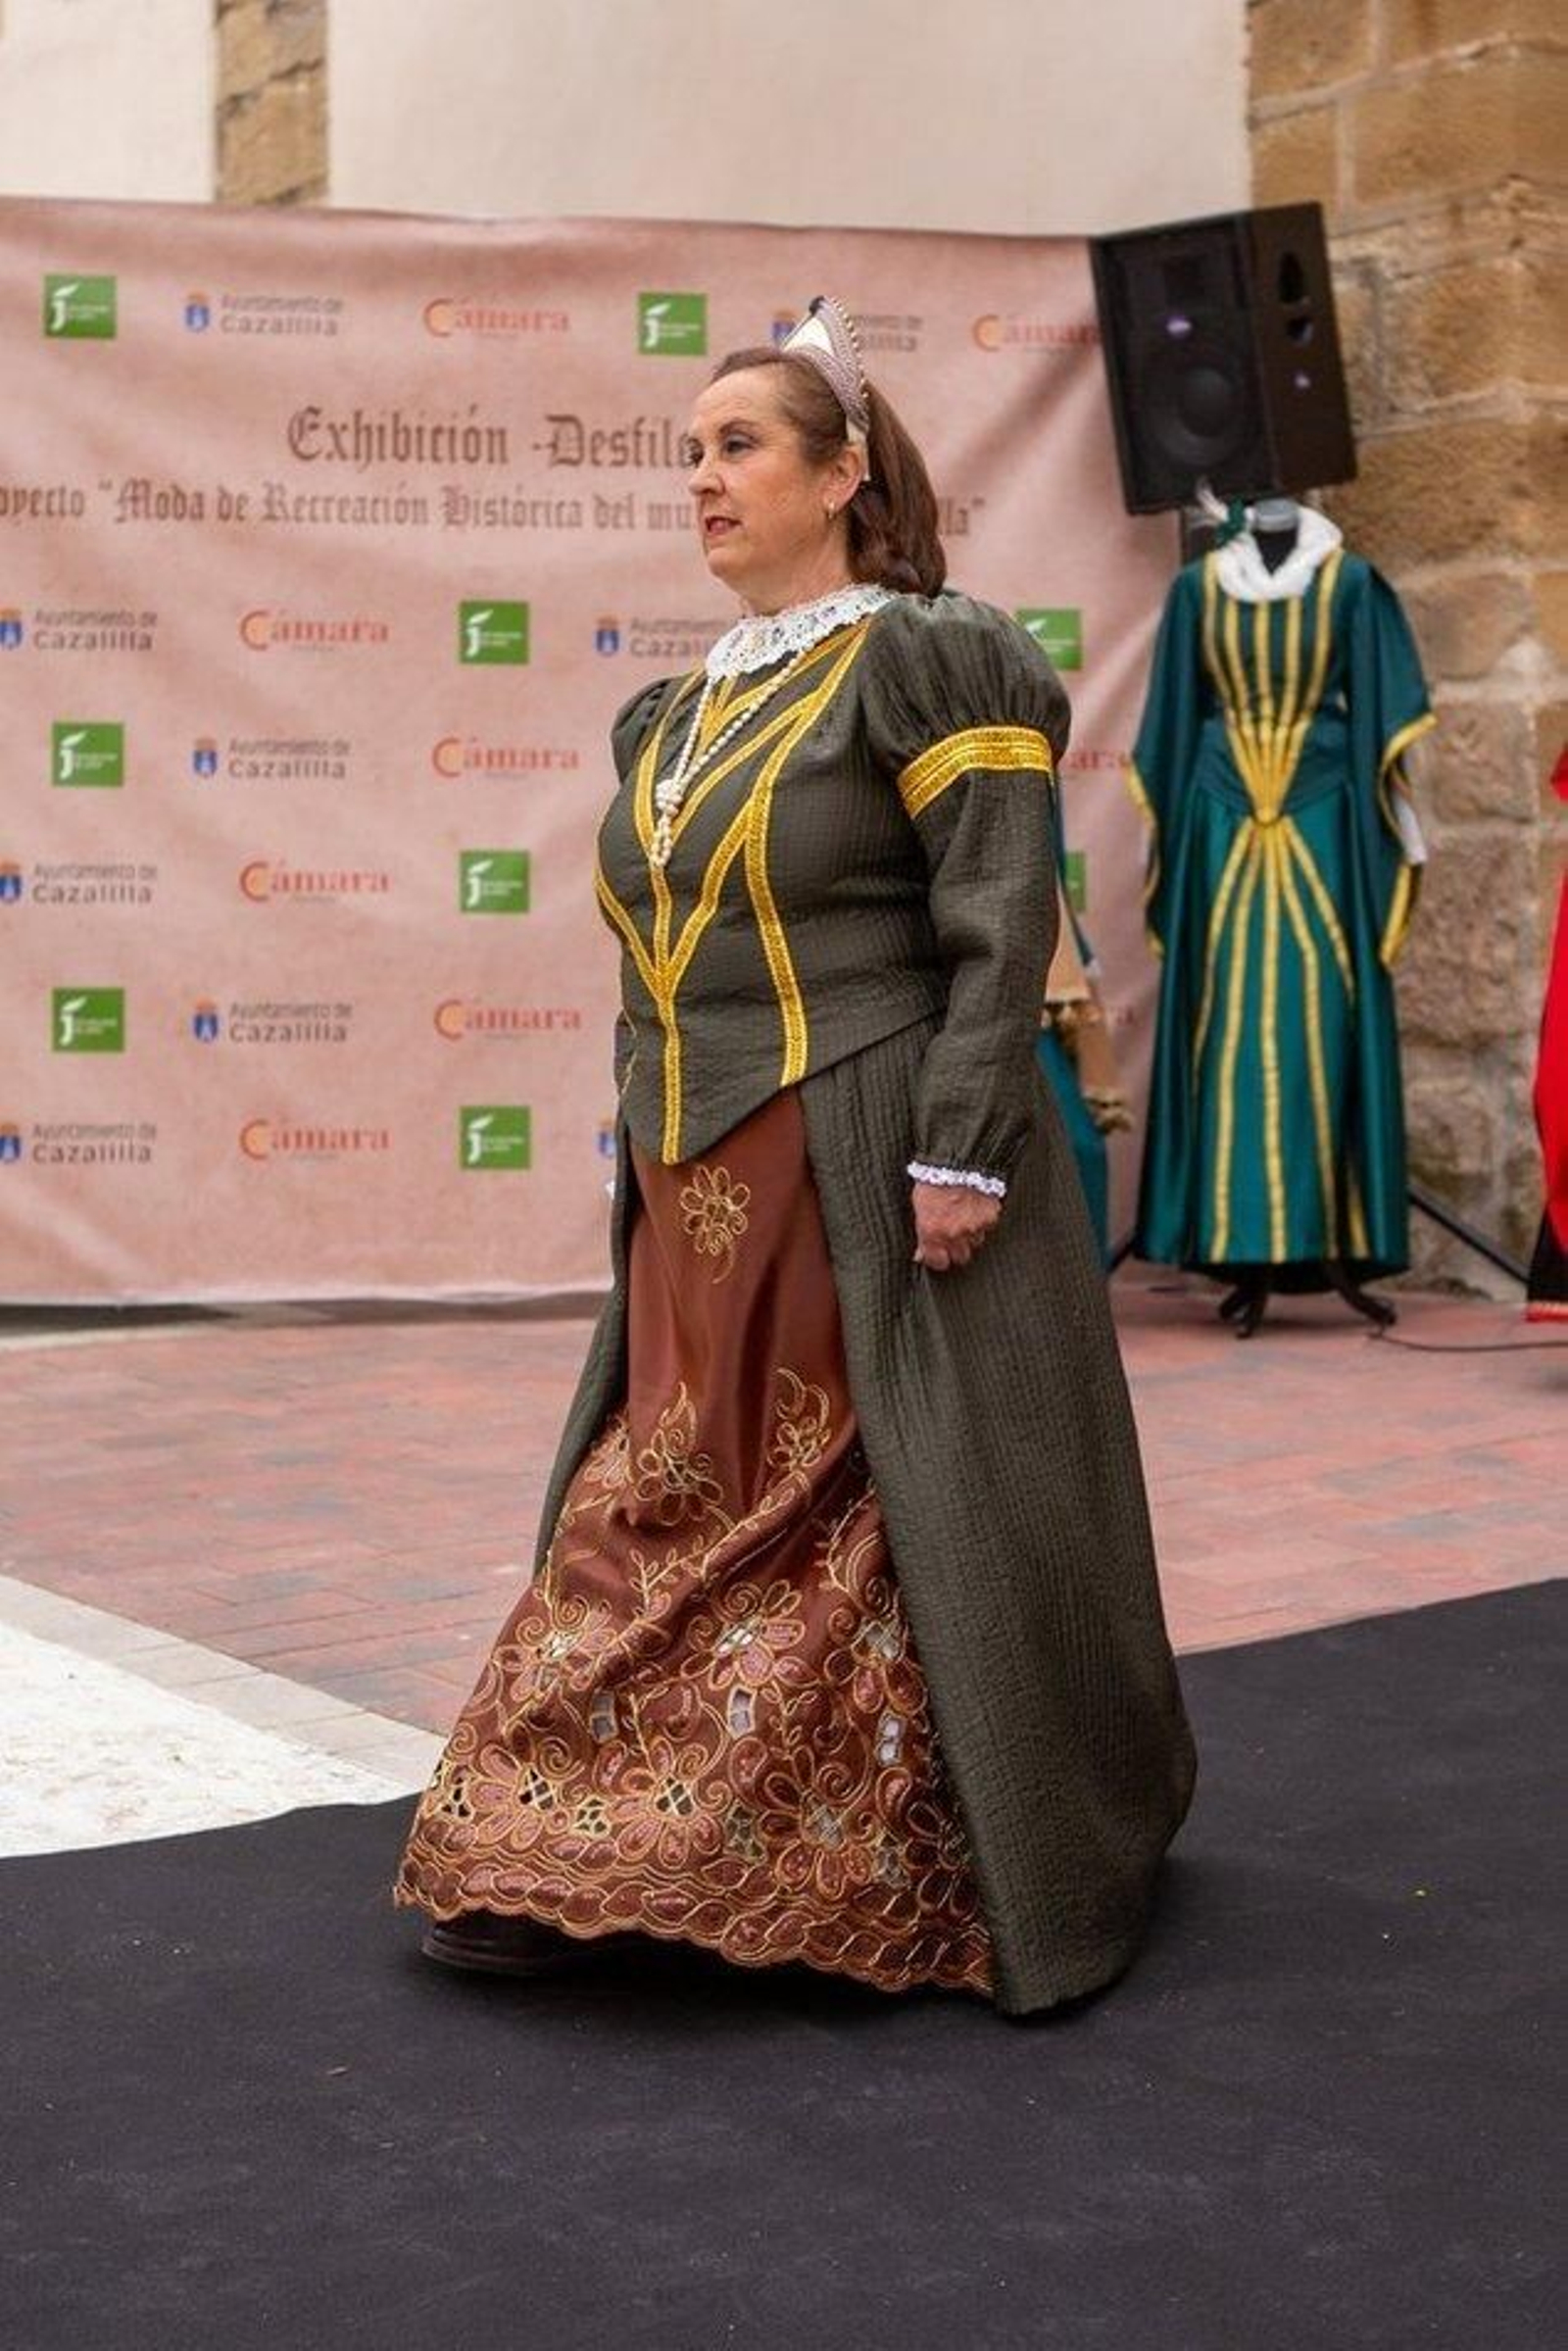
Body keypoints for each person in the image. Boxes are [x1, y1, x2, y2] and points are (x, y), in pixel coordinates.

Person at [395, 297, 1196, 2017]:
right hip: (704, 1180)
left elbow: (1001, 919)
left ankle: (843, 1849)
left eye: (738, 446)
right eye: (687, 453)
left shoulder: (927, 654)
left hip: (870, 1147)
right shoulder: (665, 716)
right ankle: (597, 1842)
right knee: (664, 1490)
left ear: (843, 476)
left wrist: (967, 1146)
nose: (701, 480)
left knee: (844, 1498)